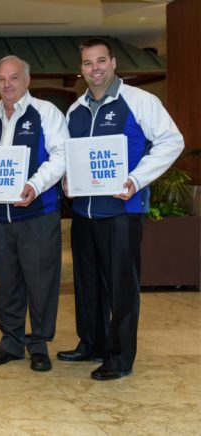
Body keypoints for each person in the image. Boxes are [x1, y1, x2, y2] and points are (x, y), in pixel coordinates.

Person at [59, 38, 183, 380]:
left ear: (113, 63)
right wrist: (68, 177)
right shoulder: (75, 110)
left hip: (122, 211)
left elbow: (172, 141)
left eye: (100, 61)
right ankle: (91, 344)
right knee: (87, 284)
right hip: (84, 212)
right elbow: (71, 154)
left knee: (121, 288)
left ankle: (119, 356)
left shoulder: (140, 101)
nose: (94, 68)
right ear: (81, 69)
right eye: (87, 63)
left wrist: (136, 178)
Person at [0, 55, 68, 372]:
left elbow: (60, 157)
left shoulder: (46, 113)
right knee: (8, 283)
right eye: (1, 78)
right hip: (2, 220)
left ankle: (38, 344)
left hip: (38, 215)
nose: (7, 84)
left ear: (27, 80)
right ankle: (11, 342)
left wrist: (34, 185)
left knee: (41, 283)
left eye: (13, 78)